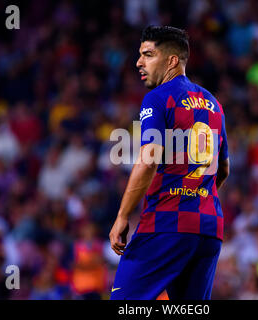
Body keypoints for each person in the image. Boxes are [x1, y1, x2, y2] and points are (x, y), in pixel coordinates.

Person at [109, 25, 229, 300]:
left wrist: (122, 216)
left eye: (148, 55)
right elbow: (223, 169)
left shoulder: (158, 98)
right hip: (208, 227)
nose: (139, 62)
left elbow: (149, 159)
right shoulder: (213, 103)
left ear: (172, 61)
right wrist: (196, 197)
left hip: (166, 224)